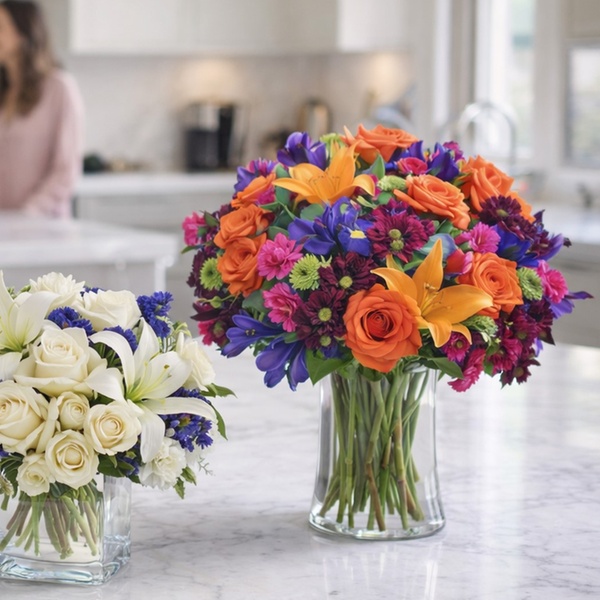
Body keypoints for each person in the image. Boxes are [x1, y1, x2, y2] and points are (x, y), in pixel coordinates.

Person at [0, 0, 83, 218]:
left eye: (0, 28)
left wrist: (27, 214)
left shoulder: (60, 88)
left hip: (42, 226)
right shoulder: (4, 90)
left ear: (24, 33)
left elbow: (66, 170)